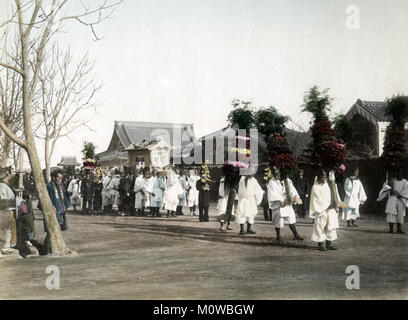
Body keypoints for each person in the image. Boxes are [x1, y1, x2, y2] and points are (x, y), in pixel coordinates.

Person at [309, 169, 342, 251]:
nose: (324, 179)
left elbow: (335, 194)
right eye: (322, 177)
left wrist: (336, 205)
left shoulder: (330, 185)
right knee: (320, 227)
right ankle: (321, 244)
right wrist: (327, 206)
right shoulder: (315, 187)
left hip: (331, 210)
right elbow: (316, 200)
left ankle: (329, 244)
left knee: (331, 227)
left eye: (325, 177)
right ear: (319, 178)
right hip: (321, 211)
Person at [267, 167, 303, 241]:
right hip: (279, 204)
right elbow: (272, 193)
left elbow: (292, 190)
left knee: (291, 219)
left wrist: (295, 197)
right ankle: (278, 236)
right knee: (278, 220)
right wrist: (280, 201)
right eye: (276, 174)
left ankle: (296, 235)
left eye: (279, 174)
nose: (277, 176)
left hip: (288, 203)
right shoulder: (272, 182)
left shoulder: (287, 180)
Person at [377, 169, 408, 234]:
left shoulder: (405, 182)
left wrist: (400, 195)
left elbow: (406, 191)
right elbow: (386, 187)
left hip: (401, 200)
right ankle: (391, 229)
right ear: (396, 173)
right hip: (392, 198)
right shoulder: (391, 180)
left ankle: (399, 229)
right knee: (391, 213)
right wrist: (389, 187)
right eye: (398, 173)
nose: (399, 174)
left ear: (402, 174)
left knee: (400, 214)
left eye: (400, 173)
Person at [236, 167, 264, 235]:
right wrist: (246, 179)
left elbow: (258, 189)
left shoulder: (254, 180)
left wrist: (258, 195)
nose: (252, 174)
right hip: (244, 199)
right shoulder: (242, 178)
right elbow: (241, 189)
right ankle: (242, 230)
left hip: (251, 199)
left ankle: (249, 228)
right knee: (242, 213)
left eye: (252, 173)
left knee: (251, 214)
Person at [0, 167, 19, 255]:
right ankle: (5, 246)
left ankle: (7, 245)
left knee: (9, 228)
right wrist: (16, 200)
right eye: (10, 173)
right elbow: (3, 199)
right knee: (6, 228)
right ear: (7, 175)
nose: (11, 175)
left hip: (9, 209)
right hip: (5, 209)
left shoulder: (7, 184)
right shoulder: (2, 185)